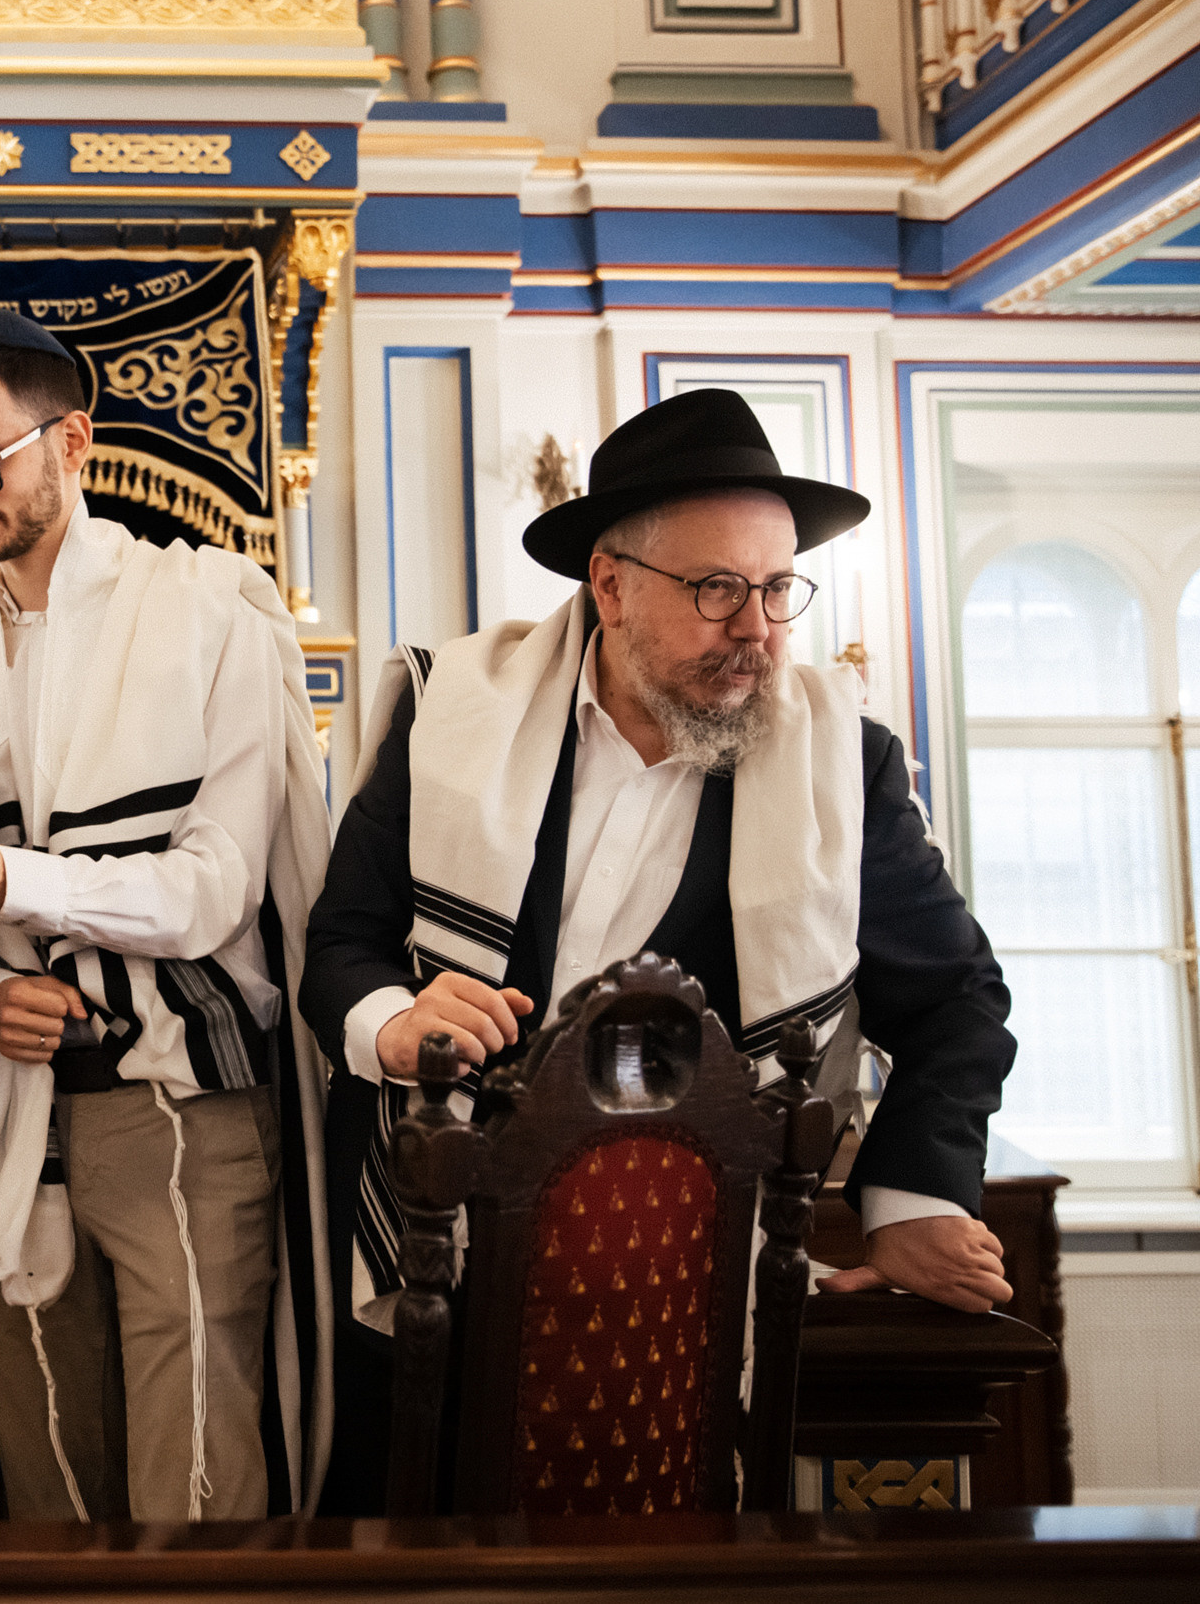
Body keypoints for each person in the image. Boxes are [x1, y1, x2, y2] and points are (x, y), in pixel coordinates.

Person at [301, 387, 1016, 1513]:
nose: (760, 631)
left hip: (680, 1290)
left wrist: (913, 1195)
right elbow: (342, 942)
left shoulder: (842, 763)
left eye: (780, 589)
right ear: (610, 584)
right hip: (431, 1253)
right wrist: (391, 1023)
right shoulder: (452, 717)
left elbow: (958, 1004)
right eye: (718, 589)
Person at [0, 311, 334, 1521]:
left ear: (71, 439)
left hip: (183, 1106)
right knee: (53, 1487)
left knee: (196, 1487)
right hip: (19, 1110)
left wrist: (19, 885)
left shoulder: (211, 606)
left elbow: (216, 884)